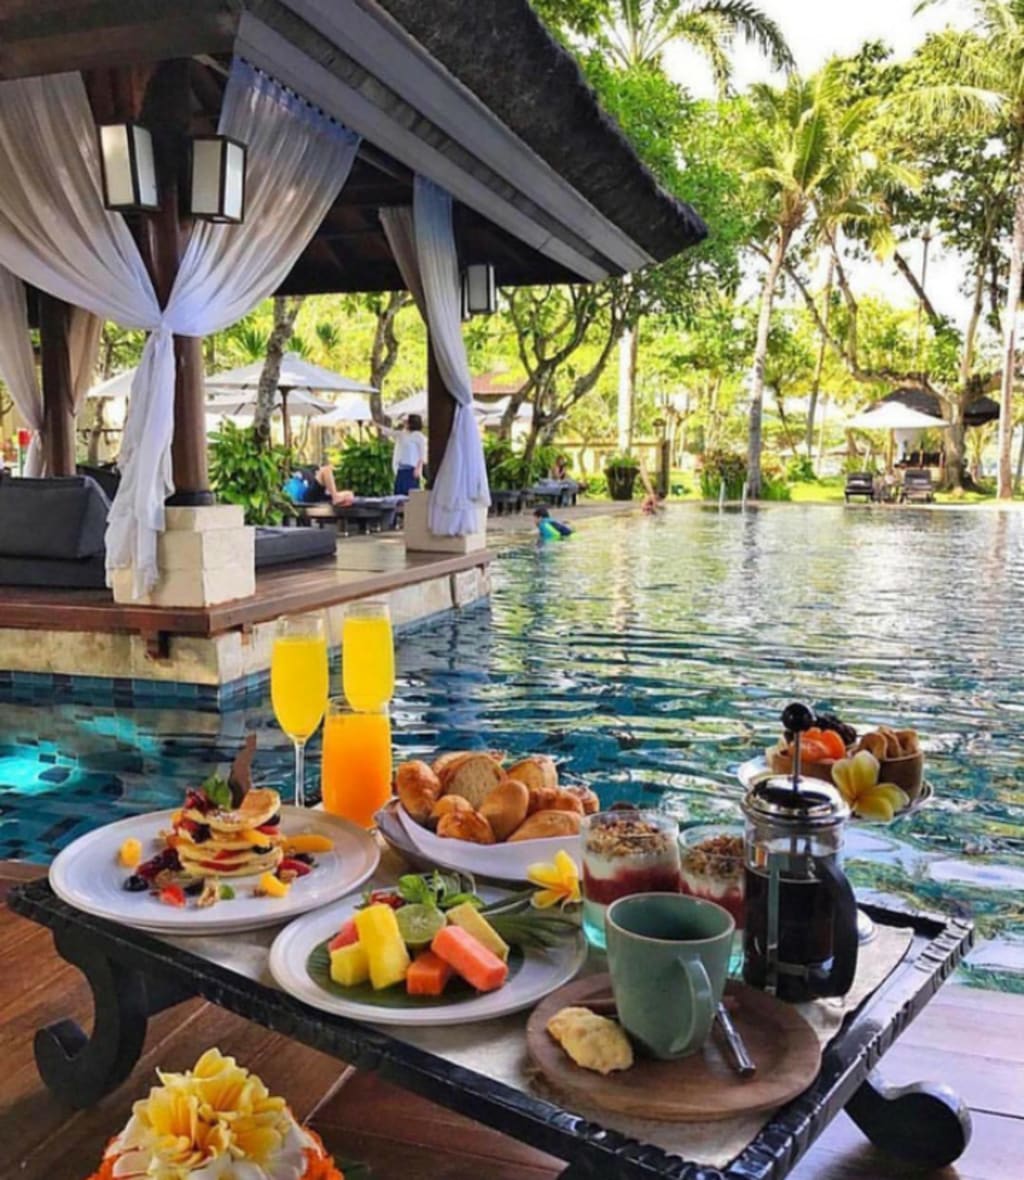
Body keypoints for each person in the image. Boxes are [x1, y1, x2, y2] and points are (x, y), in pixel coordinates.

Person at [379, 413, 428, 495]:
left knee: (411, 494)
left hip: (411, 469)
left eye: (407, 421)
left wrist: (418, 468)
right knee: (399, 493)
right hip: (401, 469)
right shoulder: (403, 434)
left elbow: (422, 455)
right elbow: (391, 432)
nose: (405, 423)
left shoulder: (419, 436)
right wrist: (378, 425)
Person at [284, 463, 355, 507]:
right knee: (326, 469)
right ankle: (336, 498)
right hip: (304, 497)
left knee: (349, 494)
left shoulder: (306, 480)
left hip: (316, 496)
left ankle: (336, 498)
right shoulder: (295, 481)